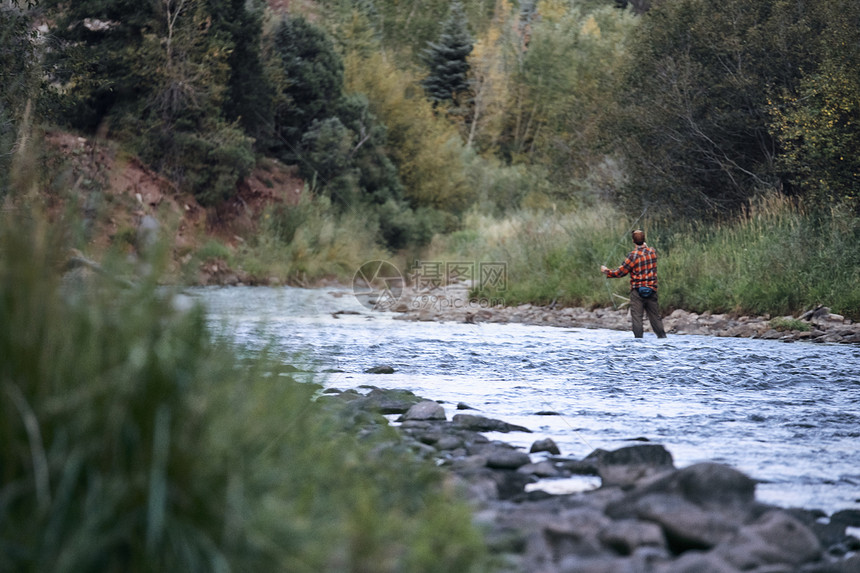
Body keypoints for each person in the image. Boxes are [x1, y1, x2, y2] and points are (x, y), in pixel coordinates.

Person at [600, 229, 667, 338]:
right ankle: (663, 339)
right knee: (655, 317)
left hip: (637, 291)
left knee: (637, 317)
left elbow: (620, 272)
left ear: (633, 241)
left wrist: (607, 271)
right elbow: (646, 249)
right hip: (652, 290)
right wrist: (643, 244)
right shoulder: (652, 252)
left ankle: (638, 342)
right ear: (644, 240)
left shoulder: (632, 256)